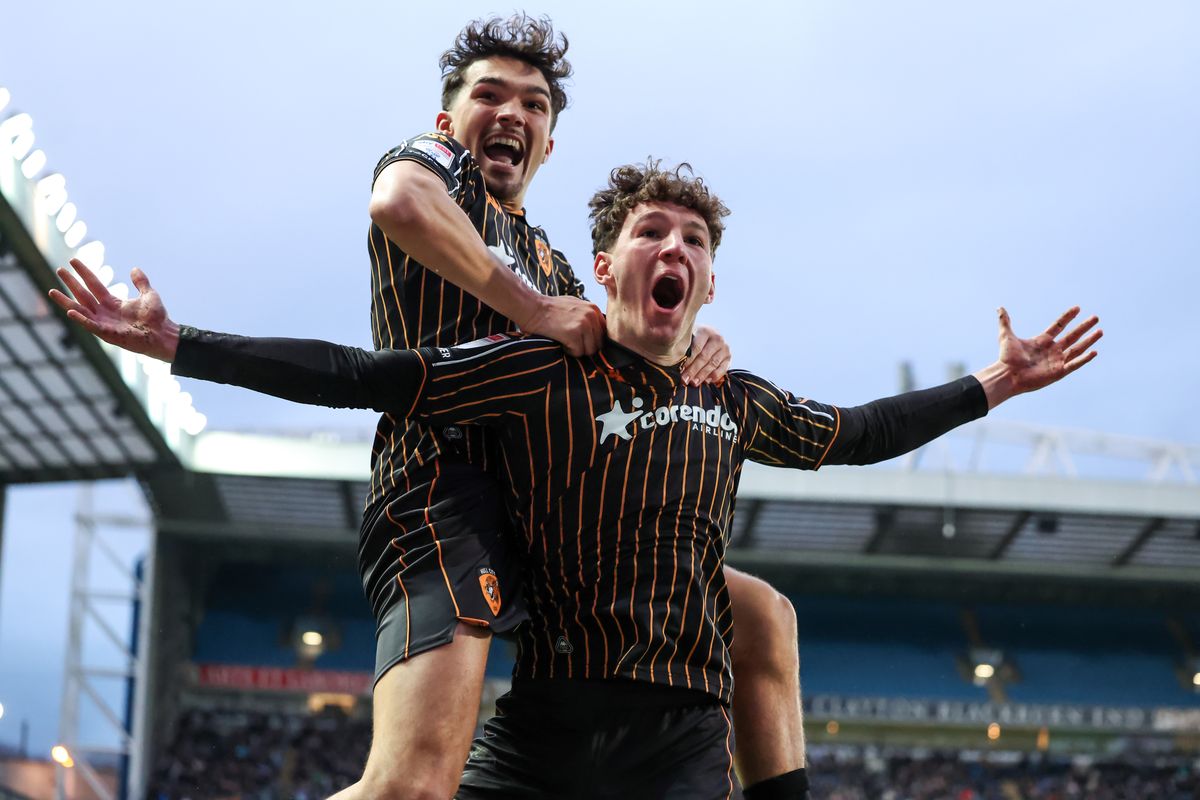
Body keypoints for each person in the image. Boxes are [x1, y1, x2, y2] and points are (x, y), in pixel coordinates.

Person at [51, 159, 1101, 798]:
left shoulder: (733, 398)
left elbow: (862, 430)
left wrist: (995, 382)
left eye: (692, 238)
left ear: (708, 282)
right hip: (547, 723)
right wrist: (180, 341)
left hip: (682, 736)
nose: (672, 245)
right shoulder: (539, 366)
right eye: (651, 231)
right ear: (606, 267)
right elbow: (360, 374)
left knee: (766, 616)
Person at [347, 13, 804, 799]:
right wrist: (528, 310)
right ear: (448, 120)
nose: (513, 114)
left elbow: (618, 339)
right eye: (490, 95)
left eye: (534, 105)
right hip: (444, 503)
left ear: (549, 142)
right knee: (410, 789)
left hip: (548, 531)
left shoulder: (551, 260)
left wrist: (696, 340)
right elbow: (397, 204)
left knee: (759, 612)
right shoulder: (437, 171)